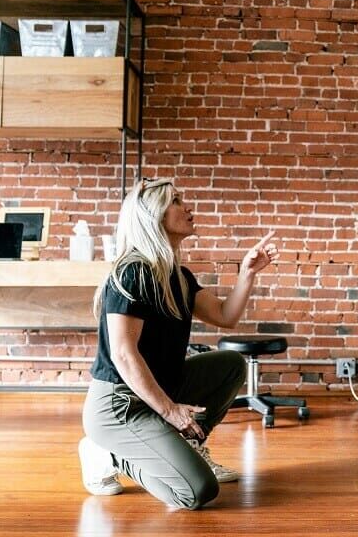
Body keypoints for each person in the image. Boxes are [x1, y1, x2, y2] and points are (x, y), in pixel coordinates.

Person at [79, 178, 280, 509]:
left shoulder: (178, 276)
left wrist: (248, 273)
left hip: (160, 386)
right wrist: (170, 411)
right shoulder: (132, 273)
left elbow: (225, 315)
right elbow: (123, 355)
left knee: (229, 365)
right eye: (175, 201)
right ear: (153, 216)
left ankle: (189, 448)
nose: (188, 207)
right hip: (119, 406)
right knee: (196, 491)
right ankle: (109, 454)